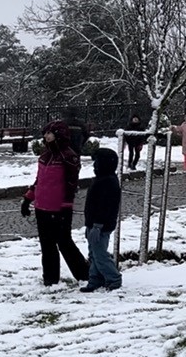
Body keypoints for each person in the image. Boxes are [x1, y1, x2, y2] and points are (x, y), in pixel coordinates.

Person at [21, 120, 88, 286]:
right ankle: (50, 278)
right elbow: (39, 180)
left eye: (49, 133)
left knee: (65, 243)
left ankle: (84, 274)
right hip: (41, 206)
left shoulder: (69, 156)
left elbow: (71, 184)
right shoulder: (45, 155)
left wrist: (66, 205)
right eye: (45, 133)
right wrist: (28, 198)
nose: (46, 136)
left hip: (59, 208)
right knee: (47, 245)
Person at [81, 147, 123, 292]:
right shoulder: (101, 179)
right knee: (93, 253)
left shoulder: (108, 182)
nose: (94, 165)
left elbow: (105, 206)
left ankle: (113, 278)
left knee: (100, 254)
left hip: (101, 225)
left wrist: (98, 225)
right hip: (93, 223)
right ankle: (95, 279)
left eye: (97, 162)